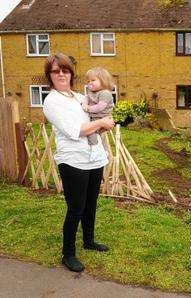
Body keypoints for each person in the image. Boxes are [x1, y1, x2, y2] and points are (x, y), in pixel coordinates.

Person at [42, 53, 115, 272]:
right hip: (73, 161)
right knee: (76, 208)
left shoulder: (77, 96)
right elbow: (75, 130)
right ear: (50, 76)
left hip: (94, 157)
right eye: (56, 71)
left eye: (65, 70)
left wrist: (104, 118)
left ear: (71, 73)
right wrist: (102, 121)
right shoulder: (51, 101)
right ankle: (68, 253)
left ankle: (89, 241)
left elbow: (99, 109)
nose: (61, 74)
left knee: (91, 203)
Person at [81, 67, 115, 148]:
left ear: (103, 81)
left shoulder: (105, 93)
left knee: (100, 136)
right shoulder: (91, 93)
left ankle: (97, 149)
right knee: (91, 134)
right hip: (95, 119)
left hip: (103, 118)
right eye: (88, 81)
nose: (90, 83)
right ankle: (94, 147)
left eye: (93, 80)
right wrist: (84, 104)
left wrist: (88, 108)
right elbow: (86, 99)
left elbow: (100, 107)